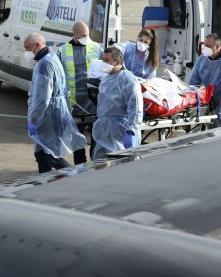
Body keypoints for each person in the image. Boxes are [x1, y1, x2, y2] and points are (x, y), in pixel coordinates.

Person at [26, 33, 87, 173]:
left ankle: (76, 176)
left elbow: (42, 98)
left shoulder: (44, 64)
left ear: (37, 46)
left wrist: (33, 120)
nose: (26, 51)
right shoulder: (52, 57)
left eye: (27, 47)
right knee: (40, 154)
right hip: (56, 112)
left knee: (52, 157)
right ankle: (44, 183)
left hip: (48, 116)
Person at [58, 21, 103, 164]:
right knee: (77, 140)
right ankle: (81, 166)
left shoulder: (96, 48)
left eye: (88, 35)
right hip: (74, 104)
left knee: (96, 138)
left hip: (94, 103)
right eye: (83, 35)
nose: (86, 37)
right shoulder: (63, 50)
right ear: (74, 35)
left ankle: (95, 162)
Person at [92, 46, 143, 160]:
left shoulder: (128, 80)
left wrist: (131, 131)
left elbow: (135, 108)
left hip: (120, 132)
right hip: (104, 132)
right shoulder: (105, 80)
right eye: (103, 59)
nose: (103, 63)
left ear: (118, 62)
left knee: (122, 168)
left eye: (107, 60)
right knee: (100, 166)